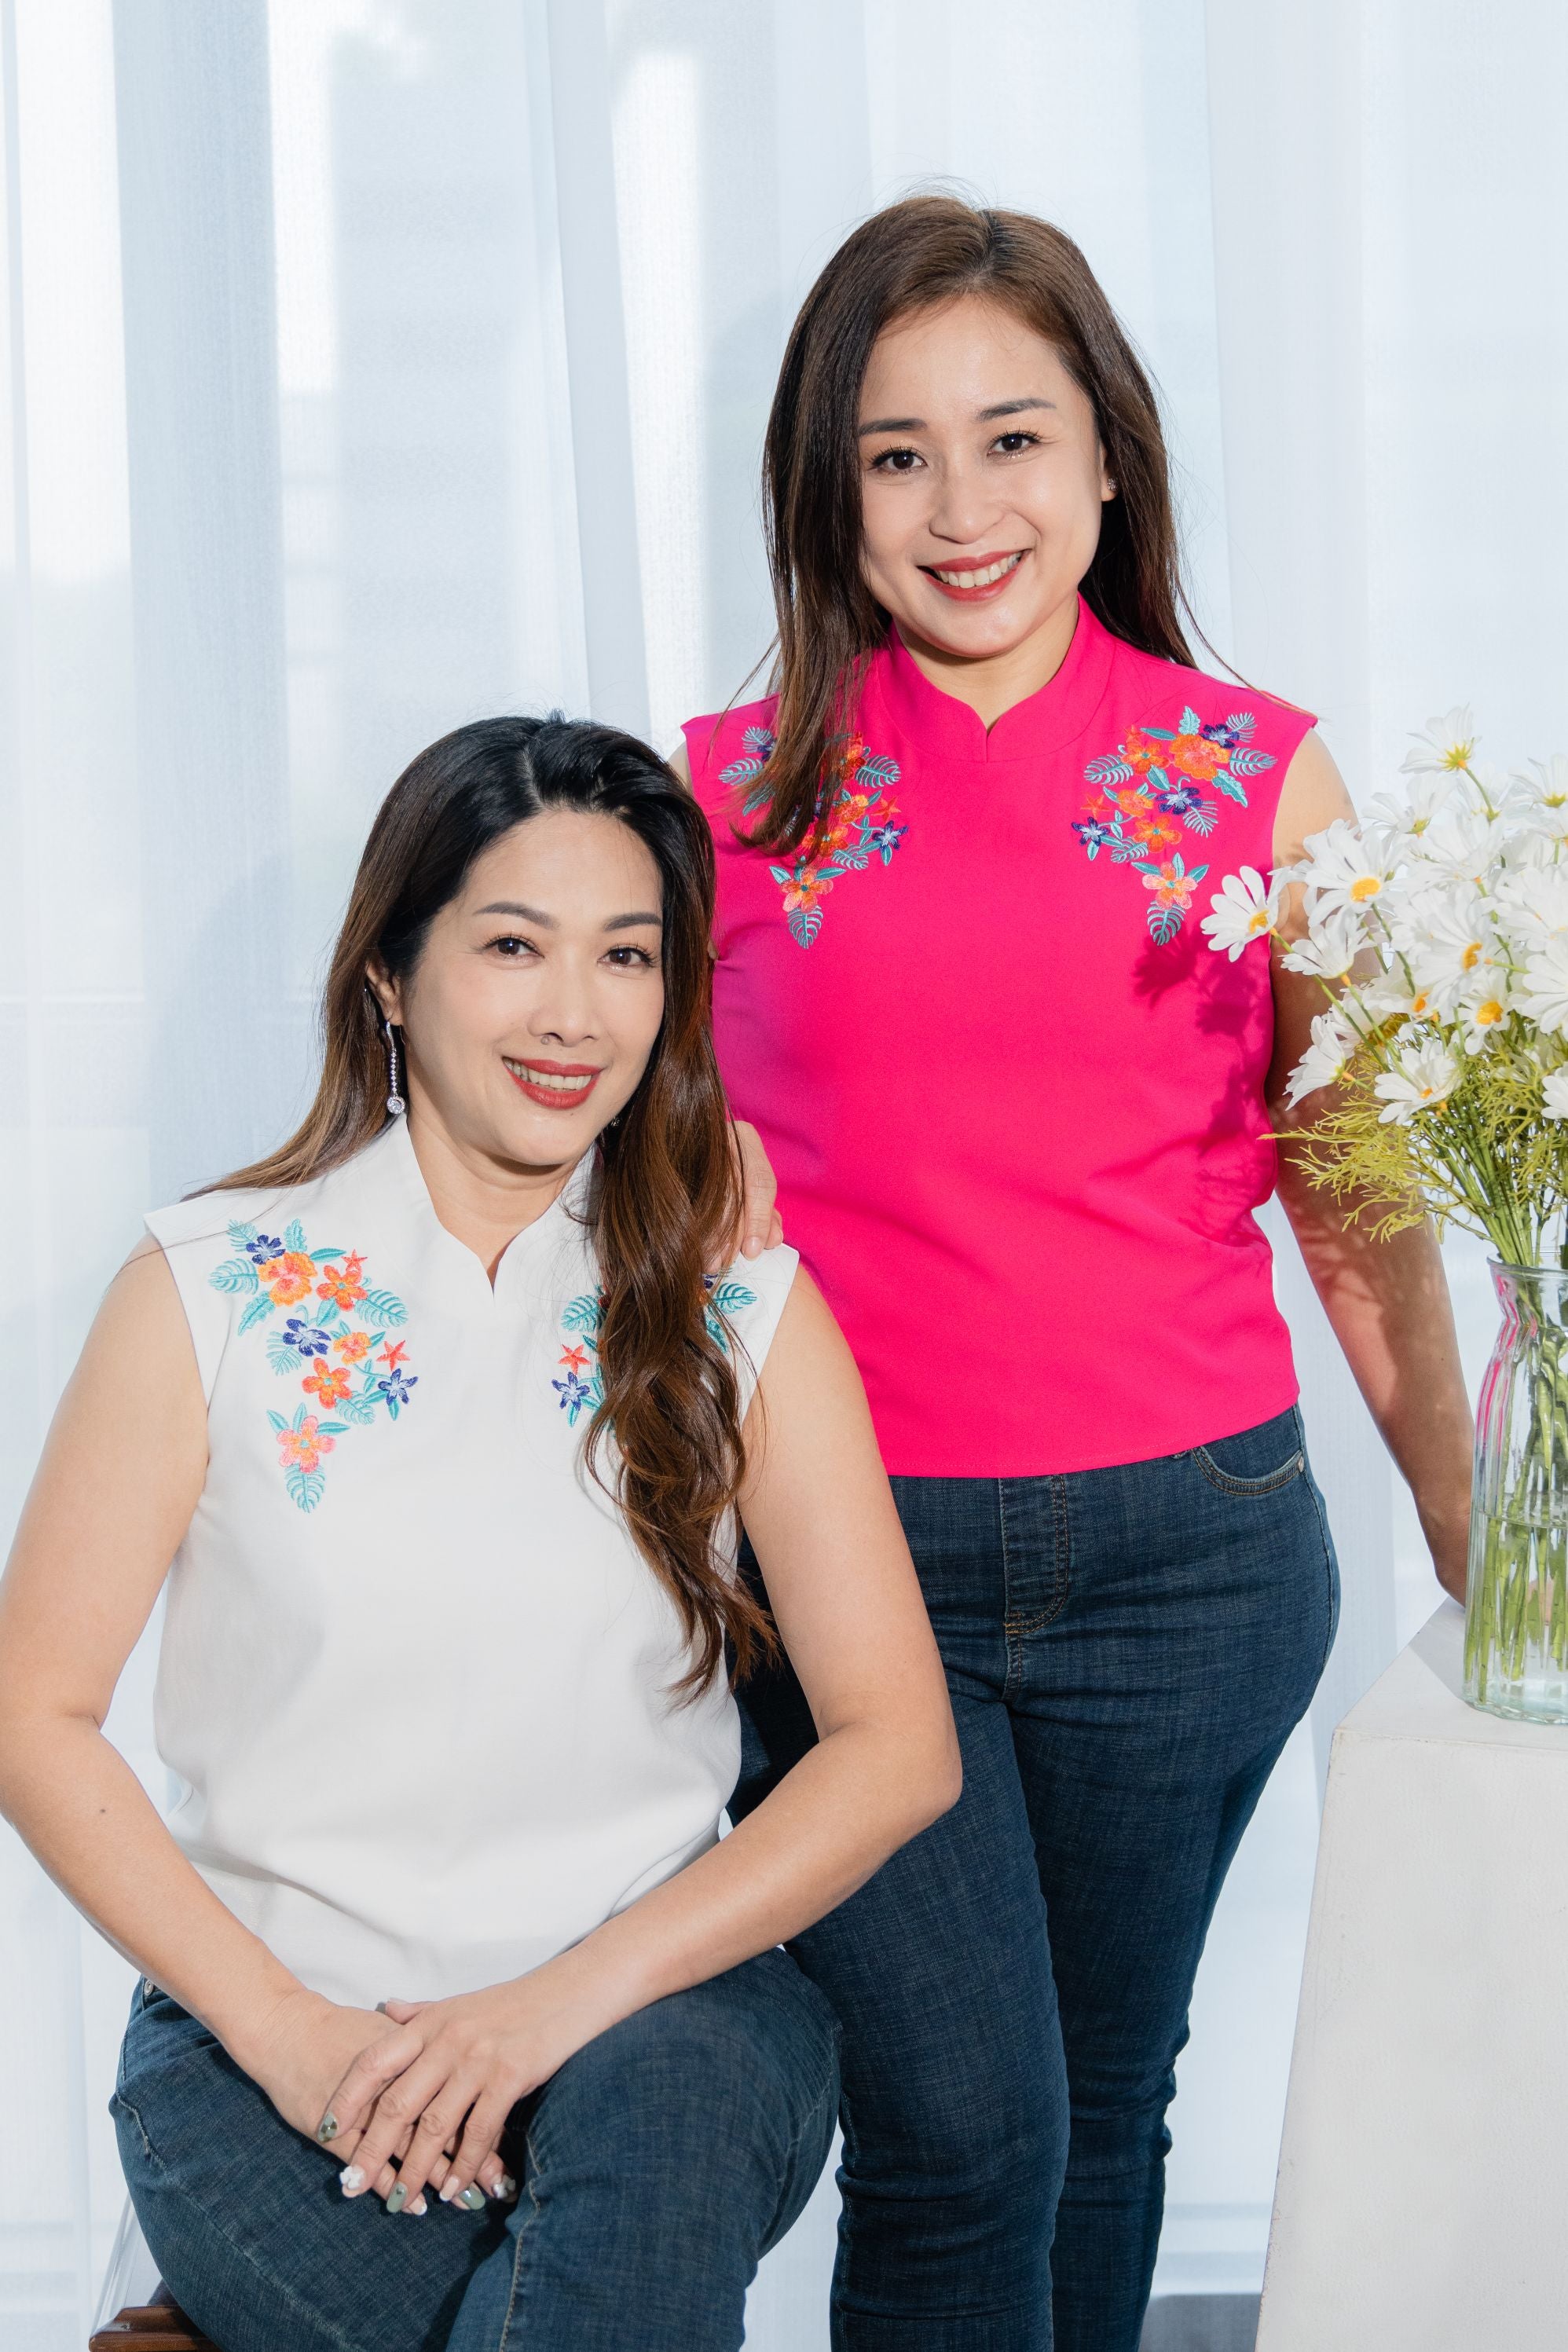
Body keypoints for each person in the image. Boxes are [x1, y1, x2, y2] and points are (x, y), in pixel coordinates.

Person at [676, 196, 1474, 2352]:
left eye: (1013, 439)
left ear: (1108, 460)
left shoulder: (1251, 772)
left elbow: (1353, 1190)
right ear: (823, 497)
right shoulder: (717, 803)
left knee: (1105, 2105)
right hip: (852, 1570)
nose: (963, 509)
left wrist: (1470, 1524)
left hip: (1193, 1559)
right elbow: (617, 1178)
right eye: (894, 454)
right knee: (958, 2131)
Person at [0, 716, 960, 2352]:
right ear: (388, 969)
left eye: (627, 956)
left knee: (642, 2170)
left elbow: (897, 1748)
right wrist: (290, 2036)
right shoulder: (206, 1289)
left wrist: (541, 2015)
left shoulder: (739, 1306)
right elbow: (33, 1716)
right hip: (275, 2042)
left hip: (660, 2023)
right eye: (512, 945)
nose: (573, 1013)